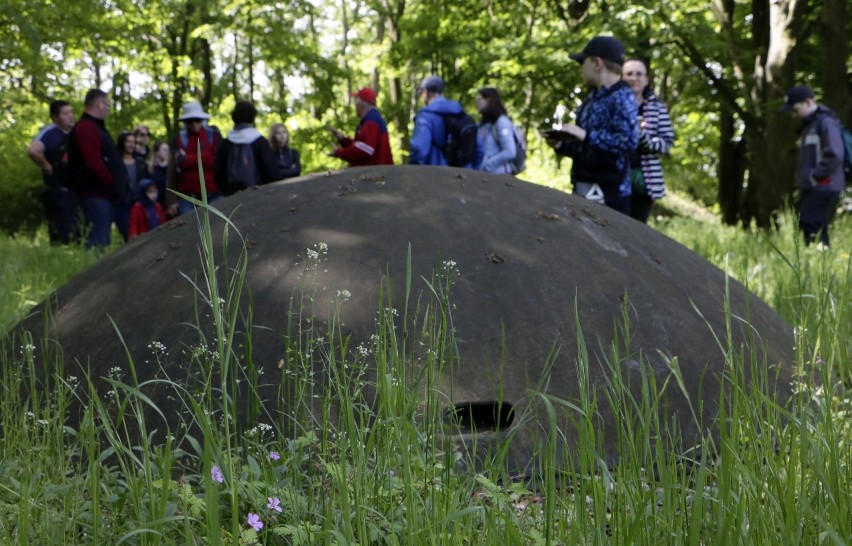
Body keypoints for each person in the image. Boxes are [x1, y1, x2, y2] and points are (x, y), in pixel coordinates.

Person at [545, 36, 638, 215]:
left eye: (583, 62)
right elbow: (587, 148)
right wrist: (562, 145)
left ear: (597, 63)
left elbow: (627, 142)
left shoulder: (622, 96)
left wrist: (585, 135)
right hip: (583, 187)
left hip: (611, 196)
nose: (581, 70)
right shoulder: (591, 99)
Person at [779, 85, 845, 248]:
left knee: (811, 224)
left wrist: (815, 176)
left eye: (795, 110)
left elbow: (835, 153)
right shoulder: (808, 127)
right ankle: (819, 264)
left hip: (824, 186)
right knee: (812, 226)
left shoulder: (826, 123)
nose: (794, 115)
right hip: (813, 186)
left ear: (808, 102)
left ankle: (821, 261)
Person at [67, 89, 128, 249]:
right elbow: (93, 162)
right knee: (96, 243)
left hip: (102, 196)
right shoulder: (86, 128)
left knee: (102, 241)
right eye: (107, 104)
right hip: (95, 196)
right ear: (99, 105)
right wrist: (112, 183)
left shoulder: (95, 128)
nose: (108, 109)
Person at [622, 58, 675, 223]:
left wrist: (643, 137)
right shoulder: (614, 103)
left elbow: (667, 143)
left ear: (646, 79)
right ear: (622, 77)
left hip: (644, 183)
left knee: (636, 230)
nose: (634, 78)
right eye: (629, 74)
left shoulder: (658, 108)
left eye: (639, 74)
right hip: (614, 178)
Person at [27, 99, 80, 244]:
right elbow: (33, 151)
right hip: (58, 190)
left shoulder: (75, 133)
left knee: (78, 230)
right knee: (62, 233)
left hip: (75, 190)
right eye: (65, 113)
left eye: (71, 112)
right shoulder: (49, 133)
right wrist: (48, 168)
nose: (71, 116)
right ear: (55, 118)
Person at [167, 101, 221, 216]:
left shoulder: (213, 135)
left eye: (197, 120)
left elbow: (217, 162)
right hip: (188, 195)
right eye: (189, 121)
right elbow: (174, 168)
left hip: (214, 192)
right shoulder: (178, 139)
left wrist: (187, 160)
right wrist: (206, 156)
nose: (194, 124)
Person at [214, 100, 278, 194]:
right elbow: (271, 172)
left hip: (232, 195)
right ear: (253, 118)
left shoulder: (225, 143)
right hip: (258, 193)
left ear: (234, 117)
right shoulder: (260, 141)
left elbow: (218, 174)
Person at [409, 76, 472, 166]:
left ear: (425, 92)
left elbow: (420, 148)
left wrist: (412, 169)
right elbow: (479, 148)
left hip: (437, 172)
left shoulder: (425, 115)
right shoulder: (460, 112)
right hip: (464, 173)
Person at [329, 87, 394, 167]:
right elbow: (363, 145)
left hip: (373, 175)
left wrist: (339, 153)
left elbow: (364, 150)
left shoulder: (371, 122)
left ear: (362, 104)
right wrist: (343, 140)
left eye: (356, 100)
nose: (354, 104)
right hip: (375, 173)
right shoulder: (372, 119)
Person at [115, 131, 149, 241]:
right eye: (128, 142)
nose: (131, 145)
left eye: (133, 142)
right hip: (123, 203)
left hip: (139, 203)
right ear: (122, 143)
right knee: (126, 232)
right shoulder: (116, 162)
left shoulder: (140, 162)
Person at [474, 87, 517, 174]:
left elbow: (510, 151)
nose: (476, 103)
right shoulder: (483, 125)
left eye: (479, 99)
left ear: (489, 100)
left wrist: (488, 165)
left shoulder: (501, 122)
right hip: (484, 176)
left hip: (499, 176)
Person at [148, 139, 170, 210]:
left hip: (170, 205)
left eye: (167, 150)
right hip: (156, 205)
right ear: (156, 152)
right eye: (164, 150)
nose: (167, 152)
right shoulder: (150, 169)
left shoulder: (171, 168)